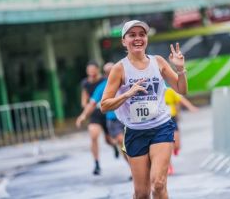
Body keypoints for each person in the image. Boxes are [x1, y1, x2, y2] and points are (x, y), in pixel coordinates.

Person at [101, 20, 187, 199]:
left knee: (159, 183)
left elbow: (181, 89)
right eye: (132, 35)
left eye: (142, 34)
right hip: (135, 132)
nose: (138, 38)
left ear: (146, 38)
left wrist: (180, 70)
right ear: (124, 41)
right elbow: (104, 105)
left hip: (161, 127)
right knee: (141, 193)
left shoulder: (158, 62)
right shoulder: (119, 69)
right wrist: (127, 94)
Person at [77, 62, 129, 176]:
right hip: (111, 119)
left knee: (114, 141)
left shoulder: (127, 81)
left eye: (112, 70)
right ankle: (132, 168)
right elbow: (90, 103)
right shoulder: (101, 86)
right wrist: (83, 116)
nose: (111, 73)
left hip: (129, 118)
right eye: (108, 72)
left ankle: (139, 165)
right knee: (121, 141)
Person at [164, 87, 198, 175]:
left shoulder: (169, 91)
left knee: (177, 145)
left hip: (172, 119)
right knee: (167, 145)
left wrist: (191, 107)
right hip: (162, 121)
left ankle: (175, 149)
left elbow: (181, 99)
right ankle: (168, 166)